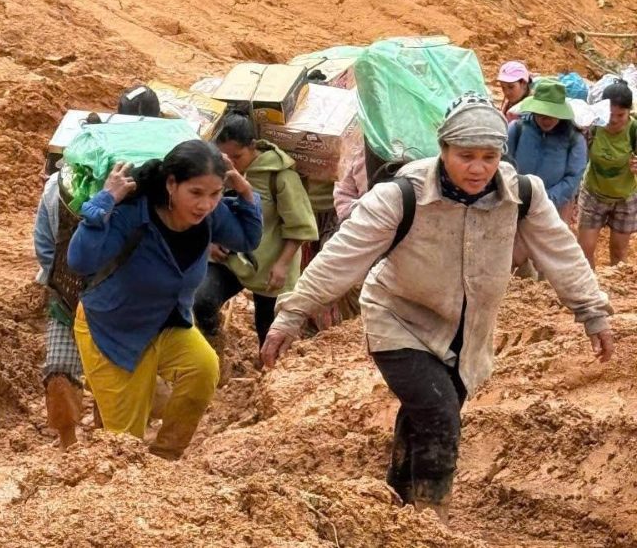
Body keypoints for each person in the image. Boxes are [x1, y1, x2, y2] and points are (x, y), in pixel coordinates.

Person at [260, 93, 614, 523]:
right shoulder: (400, 195)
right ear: (443, 149)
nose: (478, 168)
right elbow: (343, 255)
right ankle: (433, 519)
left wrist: (592, 311)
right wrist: (293, 313)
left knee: (424, 415)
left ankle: (398, 503)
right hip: (398, 320)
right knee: (439, 413)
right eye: (466, 156)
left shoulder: (523, 194)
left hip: (468, 335)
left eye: (489, 157)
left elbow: (562, 253)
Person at [68, 140, 263, 460]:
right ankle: (122, 478)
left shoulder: (210, 216)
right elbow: (80, 260)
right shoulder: (133, 213)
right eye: (196, 193)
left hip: (168, 321)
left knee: (203, 368)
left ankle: (164, 457)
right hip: (114, 330)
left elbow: (247, 237)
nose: (205, 204)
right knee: (124, 442)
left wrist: (244, 192)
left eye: (215, 193)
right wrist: (105, 200)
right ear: (172, 184)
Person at [193, 112, 318, 354]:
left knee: (268, 331)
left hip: (270, 264)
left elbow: (300, 225)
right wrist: (210, 242)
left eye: (237, 156)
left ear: (252, 146)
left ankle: (269, 371)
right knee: (202, 301)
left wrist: (282, 264)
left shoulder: (279, 175)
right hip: (228, 260)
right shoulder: (215, 171)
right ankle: (215, 352)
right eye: (224, 157)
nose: (231, 163)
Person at [508, 79, 587, 273]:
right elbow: (505, 165)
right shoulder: (518, 129)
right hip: (517, 201)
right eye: (542, 113)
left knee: (549, 258)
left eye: (552, 114)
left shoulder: (574, 138)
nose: (547, 119)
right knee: (513, 253)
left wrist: (546, 199)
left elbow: (573, 176)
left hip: (554, 207)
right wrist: (519, 193)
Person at [34, 172, 85, 449]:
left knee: (115, 376)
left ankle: (113, 441)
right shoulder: (55, 188)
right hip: (67, 296)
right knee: (59, 374)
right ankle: (68, 443)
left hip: (118, 303)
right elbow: (45, 248)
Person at [578, 80, 637, 268]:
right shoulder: (592, 127)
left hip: (625, 196)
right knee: (585, 250)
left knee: (619, 252)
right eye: (610, 114)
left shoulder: (634, 130)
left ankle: (617, 285)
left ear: (629, 112)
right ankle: (589, 284)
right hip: (593, 193)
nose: (614, 120)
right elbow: (578, 157)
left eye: (621, 115)